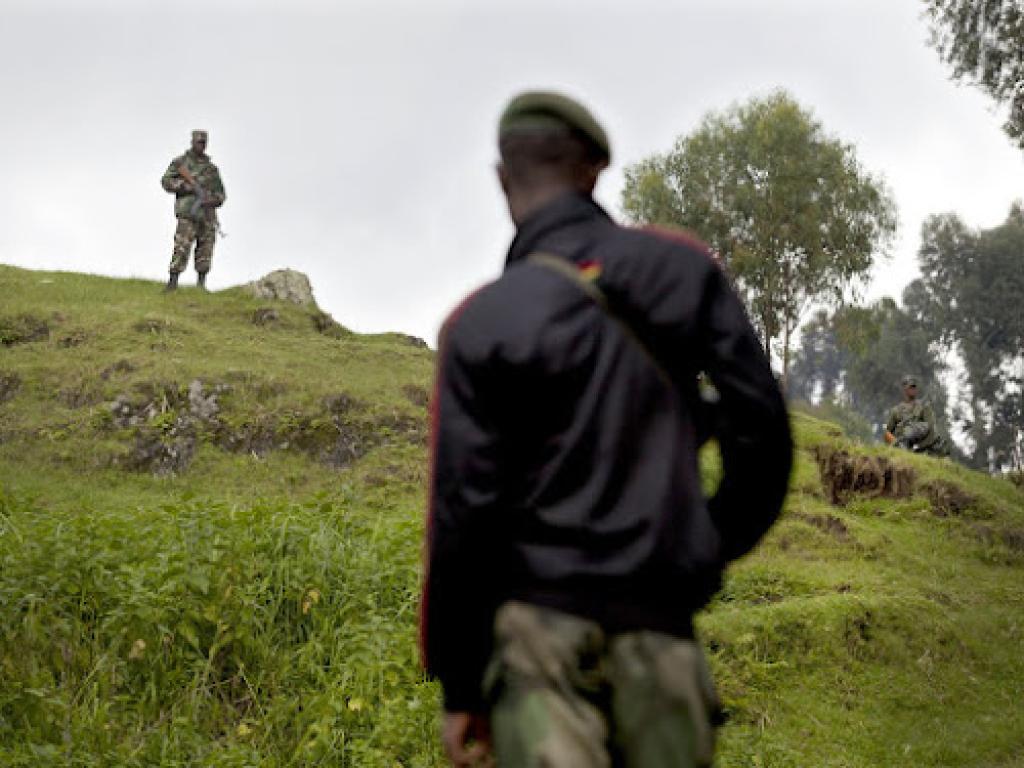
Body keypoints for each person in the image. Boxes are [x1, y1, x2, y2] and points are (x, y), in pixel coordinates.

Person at [421, 91, 793, 767]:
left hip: (536, 643)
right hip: (661, 633)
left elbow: (461, 516)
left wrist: (462, 685)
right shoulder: (682, 272)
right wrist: (707, 546)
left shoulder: (478, 323)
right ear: (593, 170)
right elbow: (762, 428)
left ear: (503, 181)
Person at [160, 130, 226, 292]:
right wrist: (185, 187)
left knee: (206, 248)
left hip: (207, 214)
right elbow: (166, 181)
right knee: (182, 246)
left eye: (203, 142)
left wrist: (210, 199)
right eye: (198, 142)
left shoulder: (211, 169)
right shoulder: (181, 163)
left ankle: (201, 284)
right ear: (192, 142)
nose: (201, 145)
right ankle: (173, 281)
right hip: (188, 212)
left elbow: (221, 194)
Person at [884, 375, 948, 456]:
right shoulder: (896, 410)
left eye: (914, 387)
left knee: (922, 428)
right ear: (904, 389)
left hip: (920, 445)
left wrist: (919, 447)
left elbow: (931, 429)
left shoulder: (924, 407)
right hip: (900, 445)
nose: (913, 389)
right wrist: (895, 444)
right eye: (910, 387)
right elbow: (887, 432)